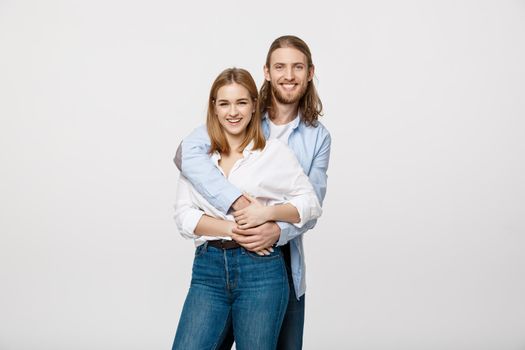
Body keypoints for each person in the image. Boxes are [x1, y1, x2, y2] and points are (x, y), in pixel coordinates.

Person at [175, 35, 331, 349]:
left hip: (277, 258)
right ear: (267, 72)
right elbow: (186, 155)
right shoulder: (239, 115)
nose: (289, 75)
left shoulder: (316, 138)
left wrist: (271, 225)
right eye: (280, 67)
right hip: (214, 259)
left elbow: (310, 202)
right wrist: (240, 211)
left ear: (310, 72)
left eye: (297, 67)